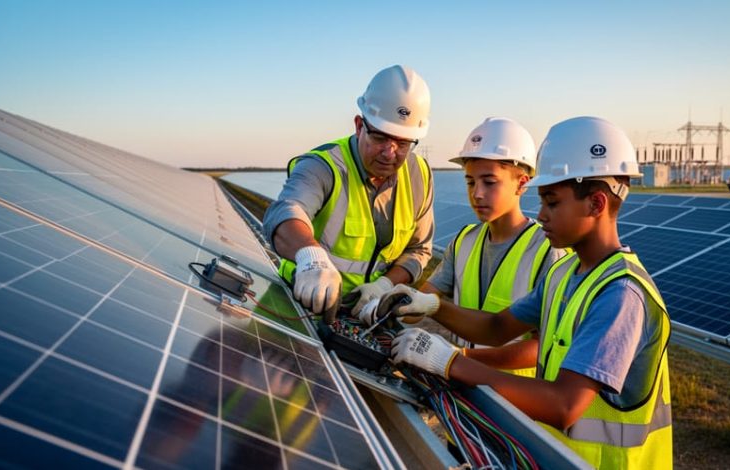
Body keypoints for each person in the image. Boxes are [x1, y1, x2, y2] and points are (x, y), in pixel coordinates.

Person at [373, 116, 673, 469]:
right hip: (552, 454)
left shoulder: (620, 294)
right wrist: (430, 304)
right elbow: (497, 329)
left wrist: (451, 362)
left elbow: (564, 405)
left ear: (596, 204)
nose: (541, 214)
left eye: (552, 202)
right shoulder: (565, 274)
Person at [364, 117, 566, 377]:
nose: (477, 193)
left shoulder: (548, 250)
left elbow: (542, 347)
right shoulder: (464, 242)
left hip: (515, 403)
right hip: (465, 389)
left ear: (522, 182)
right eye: (470, 182)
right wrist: (386, 306)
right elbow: (423, 302)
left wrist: (459, 357)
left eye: (489, 182)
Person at [262, 65, 434, 319]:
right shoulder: (324, 165)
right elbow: (286, 212)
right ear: (358, 125)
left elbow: (419, 249)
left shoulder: (419, 174)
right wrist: (312, 258)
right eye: (379, 137)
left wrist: (383, 286)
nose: (390, 153)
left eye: (403, 143)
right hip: (298, 307)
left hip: (365, 315)